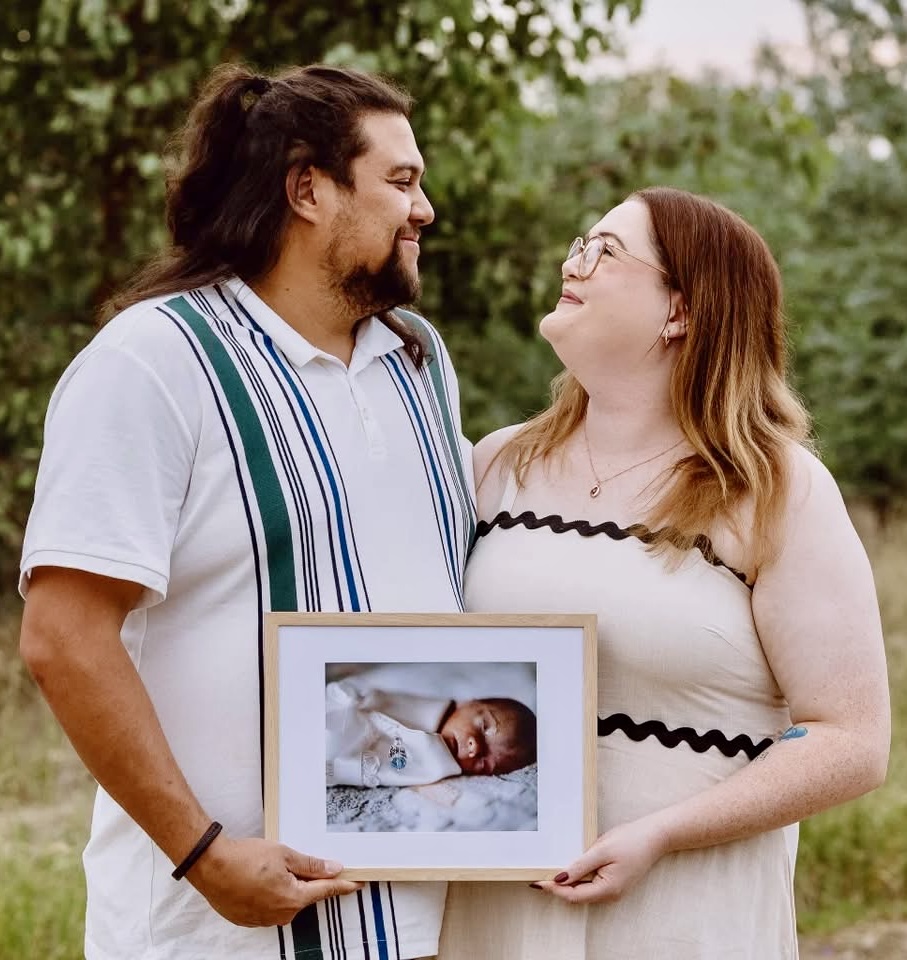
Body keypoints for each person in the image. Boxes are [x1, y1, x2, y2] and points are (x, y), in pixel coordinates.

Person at [18, 63, 475, 960]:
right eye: (401, 181)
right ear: (308, 189)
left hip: (415, 921)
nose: (423, 210)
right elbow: (62, 638)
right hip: (217, 929)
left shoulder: (419, 358)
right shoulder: (153, 360)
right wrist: (203, 853)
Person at [438, 186, 890, 959]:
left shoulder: (775, 487)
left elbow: (851, 740)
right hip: (492, 914)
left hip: (679, 912)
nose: (570, 261)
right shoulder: (494, 463)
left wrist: (659, 836)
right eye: (579, 242)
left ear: (680, 310)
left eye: (604, 251)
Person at [326, 679, 537, 786]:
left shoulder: (431, 766)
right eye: (484, 727)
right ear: (468, 703)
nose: (474, 747)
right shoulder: (424, 706)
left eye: (485, 763)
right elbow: (377, 697)